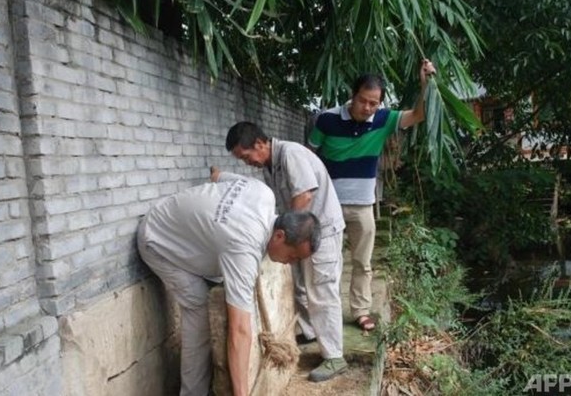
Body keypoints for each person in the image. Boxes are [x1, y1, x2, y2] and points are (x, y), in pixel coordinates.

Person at [136, 178, 321, 396]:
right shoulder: (243, 248)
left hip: (175, 220)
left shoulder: (264, 193)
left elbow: (221, 176)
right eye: (292, 256)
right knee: (198, 306)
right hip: (157, 239)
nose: (290, 263)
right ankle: (192, 392)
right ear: (279, 235)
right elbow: (240, 330)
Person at [308, 59, 436, 332]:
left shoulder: (384, 119)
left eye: (373, 103)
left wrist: (424, 83)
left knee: (362, 262)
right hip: (328, 206)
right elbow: (309, 156)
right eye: (363, 101)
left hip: (363, 206)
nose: (367, 108)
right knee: (326, 262)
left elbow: (419, 114)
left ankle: (360, 310)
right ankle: (322, 315)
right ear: (352, 96)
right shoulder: (326, 119)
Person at [216, 121, 347, 382]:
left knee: (321, 291)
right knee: (301, 287)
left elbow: (304, 197)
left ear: (260, 144)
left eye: (246, 156)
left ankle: (335, 357)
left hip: (317, 234)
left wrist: (286, 237)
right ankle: (311, 334)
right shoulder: (269, 166)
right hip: (300, 236)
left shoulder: (290, 154)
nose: (247, 163)